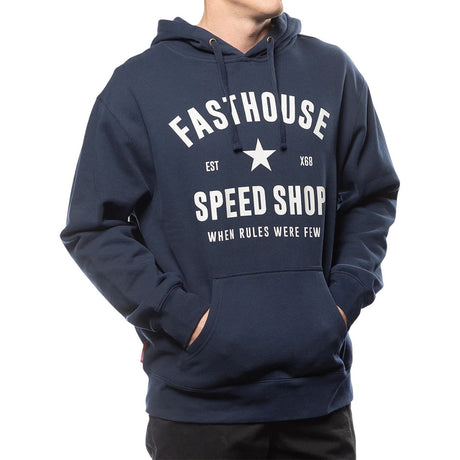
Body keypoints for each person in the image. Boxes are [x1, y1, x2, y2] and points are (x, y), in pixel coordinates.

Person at [60, 0, 400, 458]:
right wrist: (184, 319)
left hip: (318, 402)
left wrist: (339, 302)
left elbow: (372, 195)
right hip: (197, 410)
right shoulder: (139, 85)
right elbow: (93, 227)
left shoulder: (332, 72)